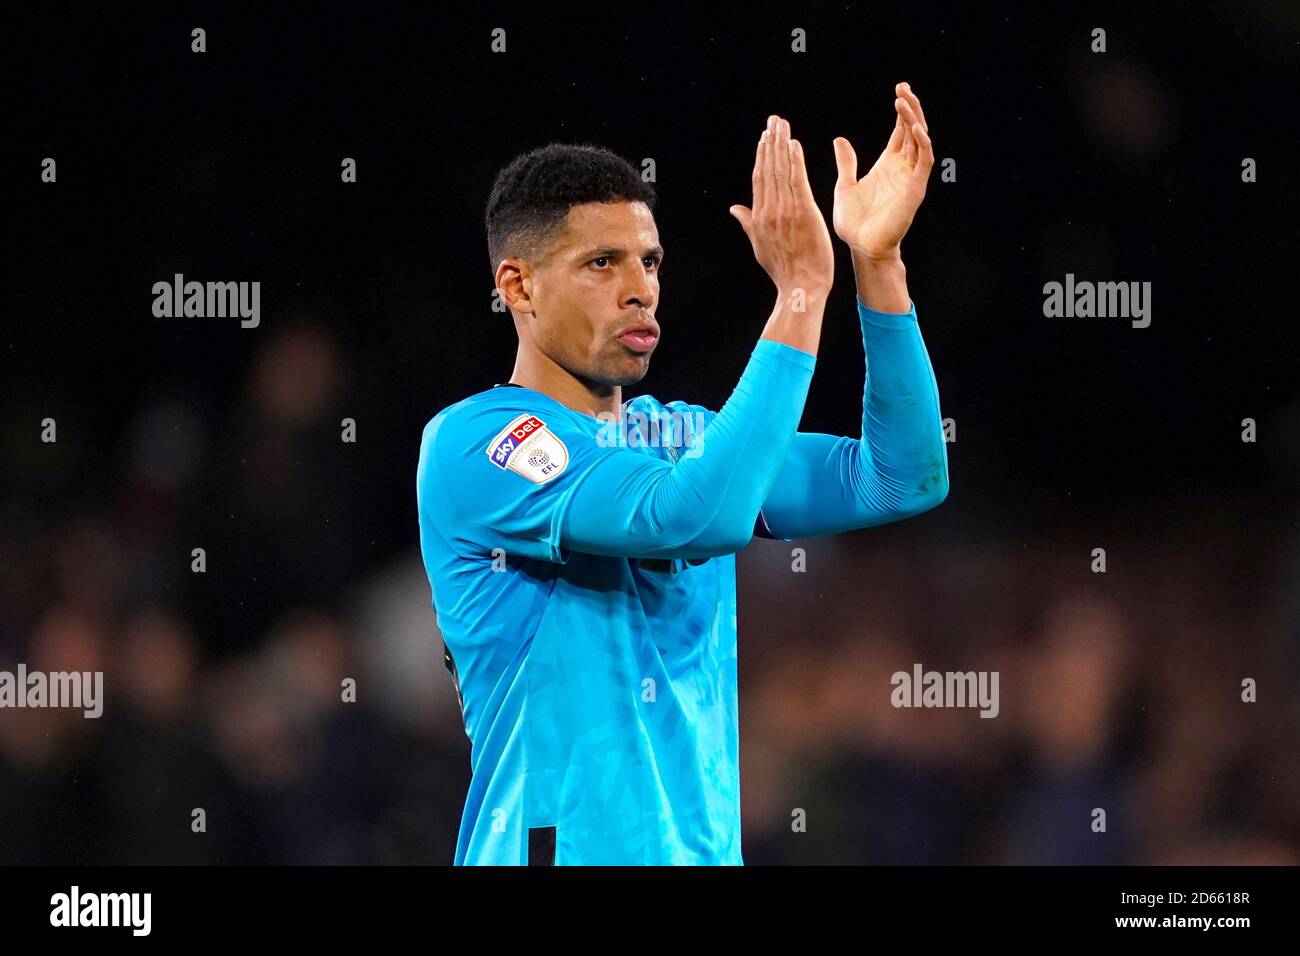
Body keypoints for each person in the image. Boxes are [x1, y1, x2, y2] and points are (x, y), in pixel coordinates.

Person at [416, 83, 948, 864]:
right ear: (518, 286)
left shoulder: (685, 436)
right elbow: (690, 516)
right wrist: (801, 292)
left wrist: (877, 265)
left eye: (650, 260)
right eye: (602, 262)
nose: (641, 288)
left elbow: (901, 478)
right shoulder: (479, 443)